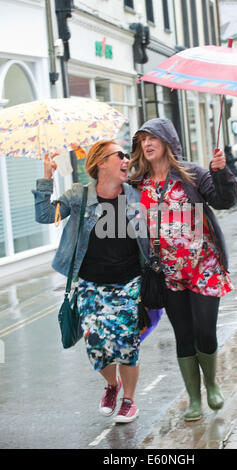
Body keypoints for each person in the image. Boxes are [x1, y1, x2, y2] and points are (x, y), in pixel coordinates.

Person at [32, 140, 149, 424]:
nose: (126, 159)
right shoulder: (79, 195)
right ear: (101, 163)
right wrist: (47, 177)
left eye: (127, 155)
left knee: (126, 344)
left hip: (129, 282)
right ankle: (112, 386)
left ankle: (129, 400)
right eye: (119, 155)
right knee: (97, 344)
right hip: (90, 284)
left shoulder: (135, 196)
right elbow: (46, 215)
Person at [128, 118, 237, 421]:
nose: (147, 144)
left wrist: (220, 172)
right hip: (167, 274)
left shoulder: (192, 175)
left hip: (204, 268)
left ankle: (212, 384)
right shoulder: (138, 183)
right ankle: (193, 398)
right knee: (183, 334)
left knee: (205, 331)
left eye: (152, 138)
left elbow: (225, 200)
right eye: (142, 140)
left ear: (167, 142)